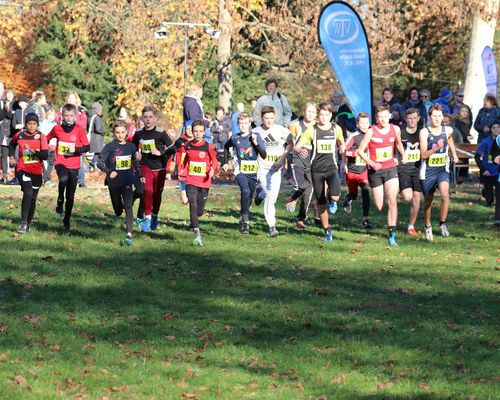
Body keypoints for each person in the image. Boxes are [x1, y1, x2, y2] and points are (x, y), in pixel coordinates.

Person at [294, 102, 344, 242]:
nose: (323, 117)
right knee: (321, 202)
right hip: (316, 170)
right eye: (321, 115)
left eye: (326, 115)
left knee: (335, 197)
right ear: (318, 115)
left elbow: (342, 142)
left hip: (331, 169)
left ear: (330, 115)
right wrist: (300, 149)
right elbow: (297, 146)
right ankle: (327, 231)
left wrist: (342, 149)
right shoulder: (312, 130)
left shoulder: (336, 129)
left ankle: (332, 201)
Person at [357, 104, 405, 246]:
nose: (383, 119)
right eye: (380, 117)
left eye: (385, 116)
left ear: (389, 115)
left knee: (392, 199)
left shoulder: (395, 129)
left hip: (390, 168)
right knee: (379, 205)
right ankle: (381, 195)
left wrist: (403, 154)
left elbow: (399, 144)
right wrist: (371, 163)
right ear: (376, 118)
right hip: (375, 171)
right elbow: (360, 151)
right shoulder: (371, 132)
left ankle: (392, 234)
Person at [97, 120, 143, 245]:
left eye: (123, 132)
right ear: (113, 133)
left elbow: (135, 162)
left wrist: (140, 175)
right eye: (117, 132)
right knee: (118, 210)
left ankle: (129, 234)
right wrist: (109, 171)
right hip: (113, 183)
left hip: (127, 180)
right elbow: (99, 162)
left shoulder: (131, 146)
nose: (120, 135)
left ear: (127, 132)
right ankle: (121, 207)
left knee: (128, 205)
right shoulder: (110, 147)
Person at [419, 103, 459, 241]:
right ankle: (428, 226)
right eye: (434, 116)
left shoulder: (447, 130)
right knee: (428, 200)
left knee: (444, 195)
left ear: (443, 117)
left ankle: (442, 223)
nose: (437, 119)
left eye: (439, 116)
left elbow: (450, 139)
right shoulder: (424, 132)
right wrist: (436, 148)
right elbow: (423, 154)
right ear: (430, 117)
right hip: (428, 171)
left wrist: (454, 153)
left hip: (442, 169)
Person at [47, 103, 90, 230]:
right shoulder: (57, 129)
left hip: (74, 164)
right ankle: (60, 198)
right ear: (62, 116)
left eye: (71, 115)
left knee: (70, 196)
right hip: (60, 161)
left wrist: (75, 149)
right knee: (63, 179)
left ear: (75, 116)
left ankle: (67, 219)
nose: (69, 118)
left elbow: (87, 147)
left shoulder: (79, 129)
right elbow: (46, 138)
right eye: (67, 115)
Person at [133, 105, 176, 232]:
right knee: (147, 190)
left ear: (154, 119)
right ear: (142, 118)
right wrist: (136, 153)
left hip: (160, 168)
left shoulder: (161, 133)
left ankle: (155, 214)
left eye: (150, 117)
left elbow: (173, 148)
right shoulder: (138, 133)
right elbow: (134, 148)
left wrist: (160, 152)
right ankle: (147, 218)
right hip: (145, 166)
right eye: (145, 117)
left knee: (157, 194)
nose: (148, 120)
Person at [223, 112, 266, 233]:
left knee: (248, 197)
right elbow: (226, 147)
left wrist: (256, 144)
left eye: (245, 123)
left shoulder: (255, 136)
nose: (243, 126)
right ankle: (246, 223)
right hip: (240, 170)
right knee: (245, 191)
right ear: (238, 124)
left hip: (253, 172)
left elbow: (264, 155)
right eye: (240, 123)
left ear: (249, 123)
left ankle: (243, 215)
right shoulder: (235, 137)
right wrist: (226, 162)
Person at [253, 105, 291, 237]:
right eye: (266, 118)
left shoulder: (282, 130)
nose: (269, 121)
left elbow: (291, 144)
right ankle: (272, 226)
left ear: (275, 117)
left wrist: (283, 159)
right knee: (270, 195)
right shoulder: (256, 131)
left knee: (272, 195)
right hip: (263, 169)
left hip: (277, 168)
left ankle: (260, 194)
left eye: (271, 118)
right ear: (261, 118)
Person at [8, 113, 48, 233]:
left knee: (33, 198)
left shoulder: (42, 136)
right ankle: (23, 223)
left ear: (37, 125)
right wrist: (11, 157)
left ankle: (28, 223)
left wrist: (32, 150)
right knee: (28, 192)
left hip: (36, 172)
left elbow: (45, 155)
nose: (31, 126)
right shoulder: (19, 135)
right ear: (26, 124)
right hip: (22, 169)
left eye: (34, 124)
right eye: (29, 124)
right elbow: (11, 143)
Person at [181, 120, 218, 246]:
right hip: (191, 180)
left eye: (200, 131)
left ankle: (194, 218)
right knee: (192, 202)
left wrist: (212, 169)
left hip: (204, 182)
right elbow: (186, 158)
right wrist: (182, 168)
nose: (197, 134)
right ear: (192, 131)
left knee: (199, 211)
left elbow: (215, 161)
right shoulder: (187, 145)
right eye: (195, 131)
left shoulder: (208, 146)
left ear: (204, 132)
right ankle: (197, 235)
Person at [287, 103, 317, 230]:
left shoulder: (318, 127)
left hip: (312, 162)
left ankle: (301, 219)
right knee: (302, 185)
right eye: (308, 111)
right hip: (297, 160)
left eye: (312, 112)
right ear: (304, 112)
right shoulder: (295, 125)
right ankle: (293, 197)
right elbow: (288, 143)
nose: (310, 114)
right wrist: (296, 149)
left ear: (316, 114)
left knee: (309, 192)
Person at [342, 112, 371, 229]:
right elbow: (344, 150)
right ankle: (348, 198)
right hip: (352, 170)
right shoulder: (354, 136)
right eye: (362, 123)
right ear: (358, 124)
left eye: (366, 123)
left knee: (365, 191)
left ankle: (365, 219)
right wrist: (353, 154)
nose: (364, 125)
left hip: (364, 170)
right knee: (354, 195)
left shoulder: (371, 134)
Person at [397, 108, 422, 236]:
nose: (412, 121)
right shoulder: (401, 133)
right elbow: (394, 148)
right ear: (406, 119)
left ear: (418, 119)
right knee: (408, 197)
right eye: (409, 118)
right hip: (404, 169)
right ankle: (399, 188)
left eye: (414, 118)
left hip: (418, 169)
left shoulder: (422, 133)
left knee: (417, 198)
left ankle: (411, 226)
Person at [475, 121, 499, 225]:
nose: (496, 130)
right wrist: (483, 170)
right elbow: (477, 156)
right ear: (490, 129)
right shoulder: (486, 142)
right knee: (489, 197)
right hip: (488, 172)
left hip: (498, 172)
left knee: (498, 194)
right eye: (494, 128)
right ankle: (486, 194)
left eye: (498, 127)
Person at [454, 105, 474, 184]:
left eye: (466, 111)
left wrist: (469, 135)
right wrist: (467, 136)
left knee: (466, 162)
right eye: (462, 111)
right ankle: (457, 179)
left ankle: (461, 179)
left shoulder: (468, 122)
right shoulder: (457, 121)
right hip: (459, 143)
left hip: (466, 144)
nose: (464, 113)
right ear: (459, 112)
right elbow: (457, 133)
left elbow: (466, 132)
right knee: (459, 162)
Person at [38, 106, 58, 186]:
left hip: (53, 146)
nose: (51, 117)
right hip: (46, 146)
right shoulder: (43, 123)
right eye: (50, 115)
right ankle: (46, 180)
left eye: (53, 115)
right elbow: (42, 135)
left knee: (51, 163)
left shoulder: (55, 124)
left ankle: (47, 179)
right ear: (47, 115)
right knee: (45, 163)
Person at [87, 102, 105, 171]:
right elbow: (98, 128)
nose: (101, 112)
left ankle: (91, 167)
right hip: (97, 139)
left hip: (92, 137)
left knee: (94, 153)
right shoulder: (96, 117)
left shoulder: (89, 117)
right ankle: (96, 167)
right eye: (100, 110)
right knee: (97, 154)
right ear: (96, 110)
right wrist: (103, 132)